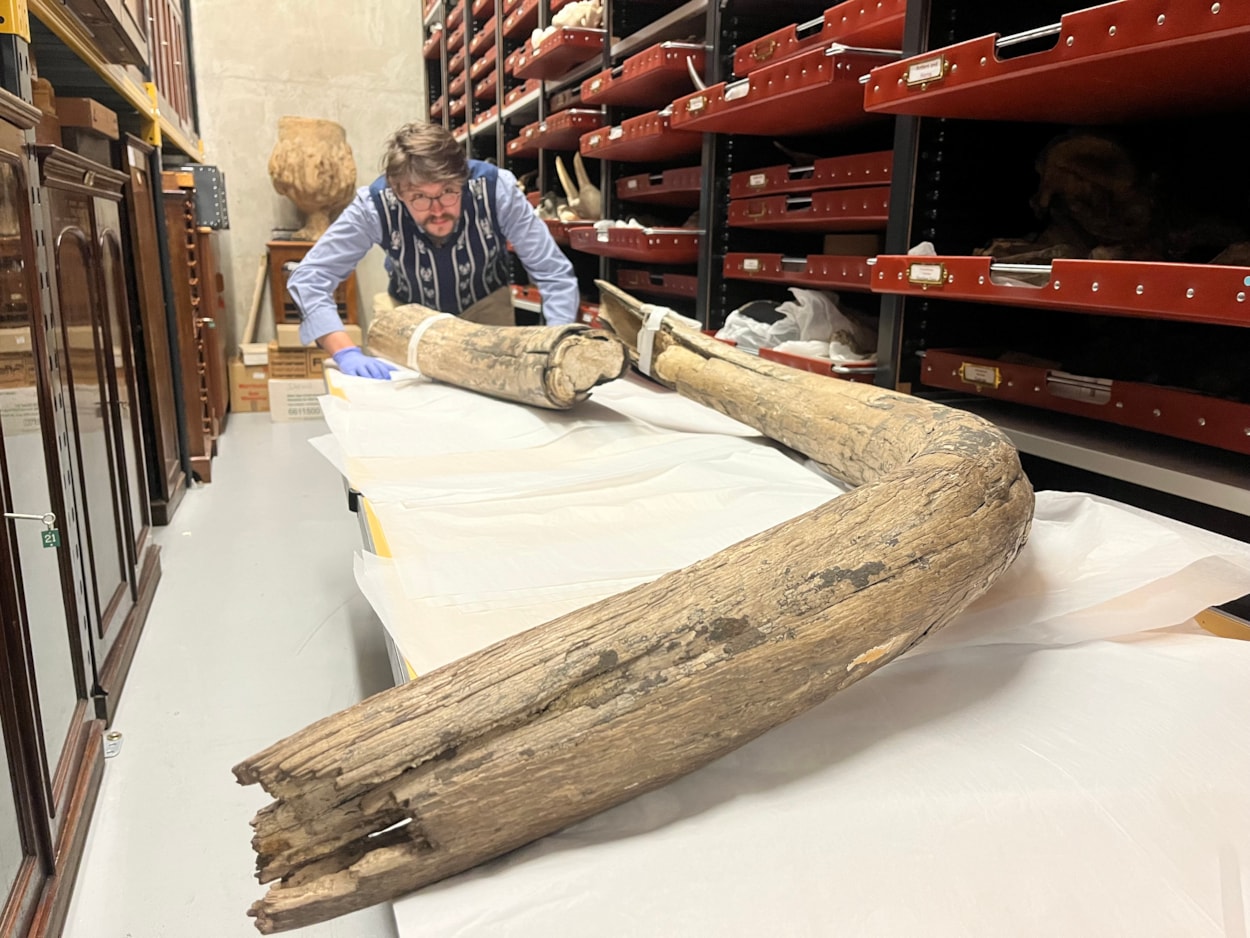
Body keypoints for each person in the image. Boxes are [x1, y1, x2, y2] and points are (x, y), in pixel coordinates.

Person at [288, 121, 579, 379]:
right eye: (419, 198)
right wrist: (344, 352)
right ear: (398, 193)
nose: (437, 210)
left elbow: (553, 272)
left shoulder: (495, 189)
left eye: (448, 191)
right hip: (410, 312)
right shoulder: (375, 205)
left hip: (486, 307)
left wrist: (558, 347)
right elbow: (310, 277)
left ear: (462, 180)